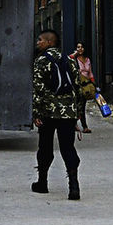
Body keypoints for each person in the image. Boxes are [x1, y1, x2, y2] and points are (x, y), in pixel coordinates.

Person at [30, 29, 82, 200]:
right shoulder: (70, 60)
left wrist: (36, 112)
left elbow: (38, 89)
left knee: (44, 146)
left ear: (49, 43)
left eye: (40, 40)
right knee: (68, 147)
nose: (38, 43)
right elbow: (78, 87)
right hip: (68, 113)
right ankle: (74, 186)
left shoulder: (41, 61)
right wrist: (77, 113)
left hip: (47, 112)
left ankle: (42, 182)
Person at [71, 43, 96, 133]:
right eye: (78, 47)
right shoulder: (75, 59)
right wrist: (75, 53)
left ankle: (75, 124)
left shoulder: (87, 59)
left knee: (82, 105)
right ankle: (84, 126)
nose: (80, 49)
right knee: (79, 105)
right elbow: (68, 58)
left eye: (81, 47)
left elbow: (90, 73)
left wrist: (93, 84)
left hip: (86, 85)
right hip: (78, 85)